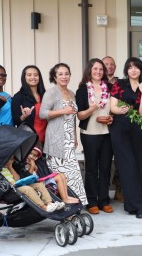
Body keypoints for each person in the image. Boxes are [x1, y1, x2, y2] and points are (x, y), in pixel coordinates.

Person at [39, 63, 88, 206]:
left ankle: (75, 204)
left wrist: (74, 136)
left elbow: (72, 116)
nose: (64, 76)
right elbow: (42, 114)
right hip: (56, 140)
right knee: (61, 174)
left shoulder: (72, 93)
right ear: (54, 76)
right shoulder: (51, 92)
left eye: (66, 73)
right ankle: (62, 203)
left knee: (73, 173)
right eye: (60, 74)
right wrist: (62, 111)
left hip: (69, 139)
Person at [109, 57, 142, 219]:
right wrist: (120, 111)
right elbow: (113, 106)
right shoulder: (119, 85)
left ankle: (134, 204)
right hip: (120, 129)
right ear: (126, 70)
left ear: (140, 70)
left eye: (136, 67)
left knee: (138, 165)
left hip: (138, 129)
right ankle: (137, 206)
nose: (133, 70)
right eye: (130, 67)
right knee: (127, 166)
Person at [75, 58, 114, 214]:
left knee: (105, 168)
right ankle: (91, 201)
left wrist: (111, 117)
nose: (98, 72)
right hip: (90, 133)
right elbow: (80, 115)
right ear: (89, 70)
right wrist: (92, 109)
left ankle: (103, 200)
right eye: (95, 69)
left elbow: (113, 108)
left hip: (107, 133)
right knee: (91, 169)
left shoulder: (109, 87)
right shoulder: (83, 90)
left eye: (101, 69)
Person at [102, 55, 123, 203]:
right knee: (104, 161)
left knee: (121, 159)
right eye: (106, 64)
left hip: (118, 125)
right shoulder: (96, 84)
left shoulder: (121, 84)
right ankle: (102, 192)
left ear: (115, 67)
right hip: (100, 127)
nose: (109, 66)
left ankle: (119, 189)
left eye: (112, 64)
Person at [11, 65, 48, 144]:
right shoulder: (18, 97)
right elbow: (15, 121)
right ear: (24, 77)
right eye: (29, 75)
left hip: (47, 140)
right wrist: (23, 116)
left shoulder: (46, 95)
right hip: (29, 140)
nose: (33, 77)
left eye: (36, 75)